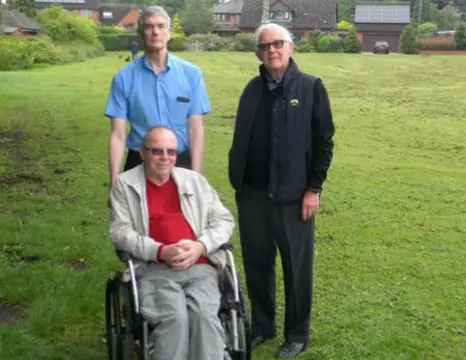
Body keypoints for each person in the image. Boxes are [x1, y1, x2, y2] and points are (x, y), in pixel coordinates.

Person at [227, 23, 335, 358]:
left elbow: (323, 142)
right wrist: (239, 183)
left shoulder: (310, 87)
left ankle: (297, 334)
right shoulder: (251, 90)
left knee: (296, 268)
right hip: (253, 195)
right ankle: (262, 326)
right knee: (258, 264)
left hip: (293, 197)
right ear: (258, 53)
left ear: (291, 47)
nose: (271, 50)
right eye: (264, 46)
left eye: (277, 44)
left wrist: (313, 188)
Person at [109, 126, 235, 360]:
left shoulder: (194, 181)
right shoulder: (125, 186)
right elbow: (120, 232)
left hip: (200, 267)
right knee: (173, 317)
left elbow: (224, 220)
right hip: (155, 269)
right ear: (142, 152)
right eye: (157, 151)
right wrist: (160, 251)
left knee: (204, 316)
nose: (166, 157)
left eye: (171, 152)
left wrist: (201, 246)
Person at [105, 5, 211, 191]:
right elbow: (118, 134)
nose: (155, 32)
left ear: (169, 33)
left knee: (181, 219)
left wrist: (196, 177)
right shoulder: (123, 78)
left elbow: (195, 130)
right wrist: (114, 182)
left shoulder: (191, 75)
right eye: (149, 26)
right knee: (137, 220)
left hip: (180, 161)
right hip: (139, 163)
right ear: (140, 34)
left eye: (161, 26)